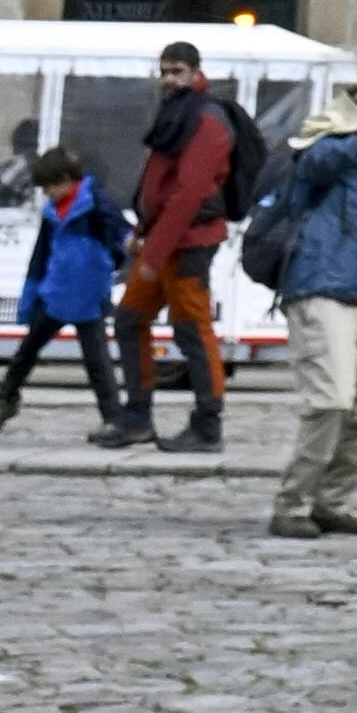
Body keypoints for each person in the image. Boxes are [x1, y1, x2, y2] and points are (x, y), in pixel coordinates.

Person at [252, 91, 357, 537]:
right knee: (329, 400)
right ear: (350, 112)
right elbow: (316, 163)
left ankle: (329, 500)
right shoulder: (322, 147)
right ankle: (292, 505)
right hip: (316, 286)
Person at [114, 40, 244, 455]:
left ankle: (208, 424)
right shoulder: (182, 114)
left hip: (189, 242)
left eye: (177, 71)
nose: (169, 79)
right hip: (166, 239)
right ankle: (136, 416)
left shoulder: (206, 120)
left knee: (191, 328)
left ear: (194, 72)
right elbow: (160, 185)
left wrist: (153, 252)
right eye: (165, 71)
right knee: (130, 319)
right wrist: (145, 232)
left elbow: (188, 193)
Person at [0, 142, 137, 438]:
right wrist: (30, 296)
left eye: (49, 187)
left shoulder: (95, 202)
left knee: (97, 362)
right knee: (25, 353)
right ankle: (6, 401)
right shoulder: (53, 212)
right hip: (54, 293)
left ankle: (113, 418)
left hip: (87, 295)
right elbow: (41, 256)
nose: (46, 194)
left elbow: (119, 229)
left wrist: (123, 254)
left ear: (66, 179)